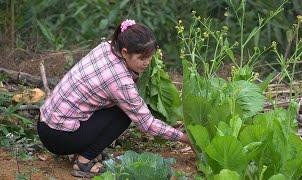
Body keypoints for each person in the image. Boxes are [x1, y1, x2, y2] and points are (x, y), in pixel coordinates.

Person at [37, 19, 192, 178]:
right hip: (58, 137)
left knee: (121, 107)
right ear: (125, 52)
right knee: (124, 114)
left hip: (46, 122)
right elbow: (147, 124)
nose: (147, 63)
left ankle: (83, 150)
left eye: (149, 57)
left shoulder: (106, 47)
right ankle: (84, 162)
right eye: (142, 58)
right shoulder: (120, 81)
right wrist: (186, 139)